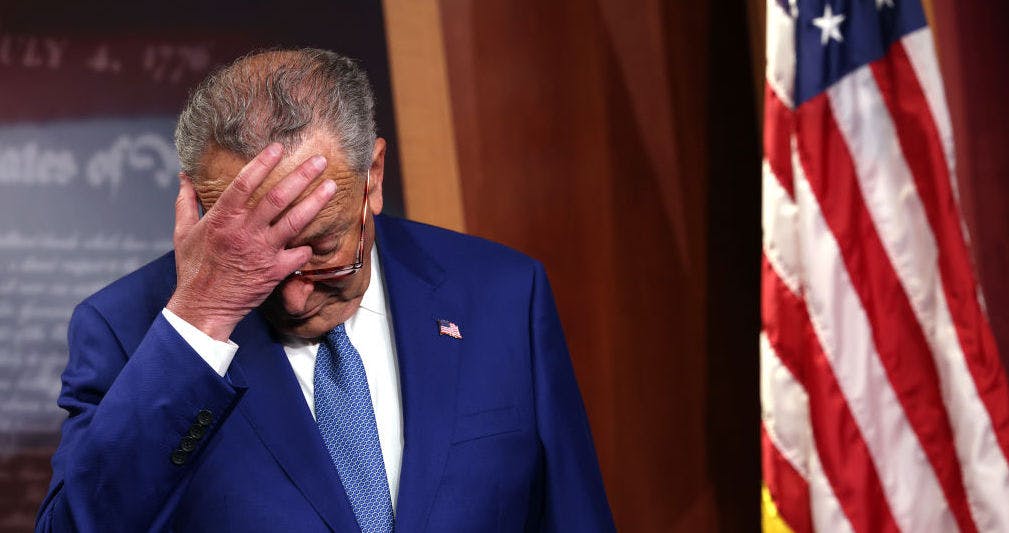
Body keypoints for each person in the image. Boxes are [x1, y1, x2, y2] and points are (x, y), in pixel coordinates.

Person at [35, 48, 614, 532]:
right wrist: (203, 316)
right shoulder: (125, 329)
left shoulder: (504, 294)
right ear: (198, 202)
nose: (293, 298)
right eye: (257, 256)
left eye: (322, 248)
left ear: (373, 177)